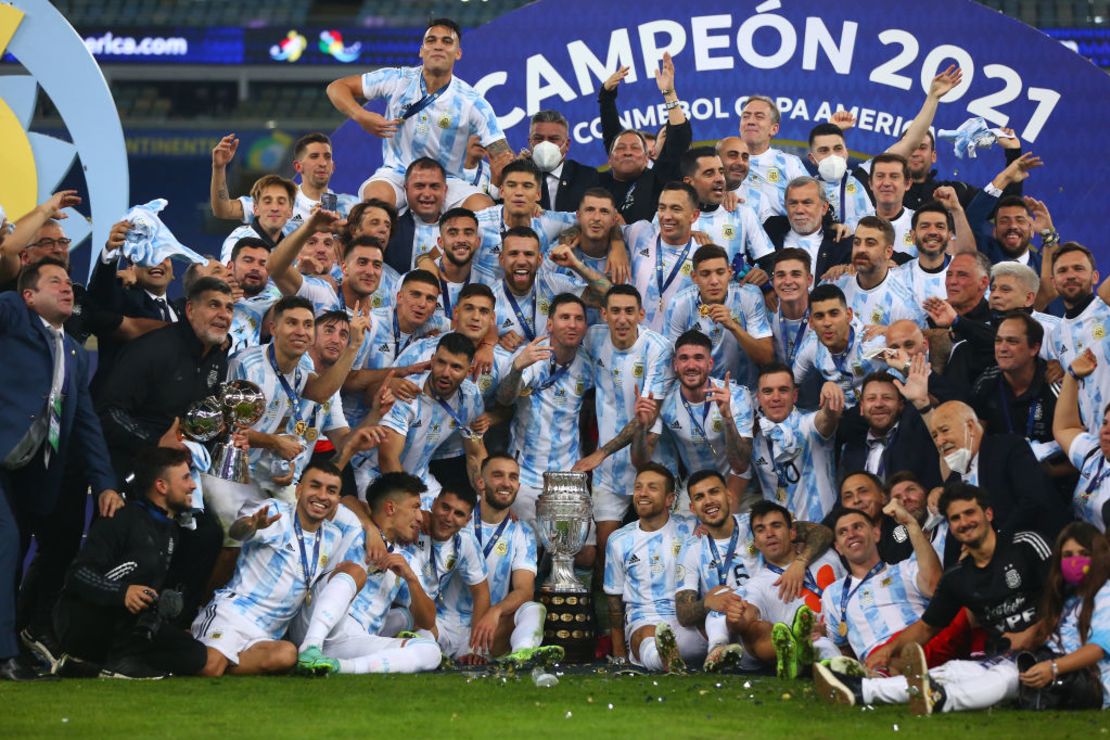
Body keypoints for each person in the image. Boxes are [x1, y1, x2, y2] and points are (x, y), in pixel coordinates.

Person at [0, 259, 120, 681]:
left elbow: (85, 423)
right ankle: (4, 655)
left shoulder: (71, 349)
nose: (68, 287)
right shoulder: (13, 314)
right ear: (29, 296)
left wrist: (104, 483)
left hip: (31, 473)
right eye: (55, 282)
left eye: (69, 282)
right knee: (7, 541)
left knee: (23, 550)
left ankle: (16, 640)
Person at [192, 461, 358, 676]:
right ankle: (196, 647)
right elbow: (237, 532)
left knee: (287, 655)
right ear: (299, 490)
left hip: (267, 634)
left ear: (337, 499)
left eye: (332, 491)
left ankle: (204, 652)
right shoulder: (275, 512)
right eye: (315, 486)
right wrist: (251, 526)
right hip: (233, 614)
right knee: (210, 668)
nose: (322, 495)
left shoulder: (333, 536)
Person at [53, 448, 207, 679]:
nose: (193, 486)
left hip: (130, 625)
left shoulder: (172, 531)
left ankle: (94, 666)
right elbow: (77, 574)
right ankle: (116, 662)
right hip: (87, 621)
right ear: (161, 486)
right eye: (186, 478)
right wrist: (122, 592)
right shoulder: (120, 518)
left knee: (194, 654)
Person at [326, 18, 509, 212]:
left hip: (448, 180)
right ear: (421, 50)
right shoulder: (398, 79)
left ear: (458, 53)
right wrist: (361, 116)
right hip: (397, 174)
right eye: (431, 40)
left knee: (483, 208)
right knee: (375, 201)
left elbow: (503, 155)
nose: (438, 46)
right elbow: (336, 88)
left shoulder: (472, 102)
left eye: (447, 41)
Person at [868, 483, 1052, 670]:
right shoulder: (956, 577)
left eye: (970, 513)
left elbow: (1068, 595)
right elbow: (927, 627)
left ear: (988, 514)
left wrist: (1033, 632)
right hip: (1005, 661)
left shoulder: (1026, 544)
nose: (964, 522)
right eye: (955, 518)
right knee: (957, 672)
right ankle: (867, 689)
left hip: (1055, 641)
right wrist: (888, 649)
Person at [292, 472, 441, 675]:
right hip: (313, 622)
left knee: (431, 651)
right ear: (390, 507)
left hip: (353, 639)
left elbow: (427, 621)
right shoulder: (353, 525)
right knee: (354, 570)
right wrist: (370, 528)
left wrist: (411, 579)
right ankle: (310, 647)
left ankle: (339, 667)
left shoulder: (407, 561)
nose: (420, 517)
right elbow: (344, 500)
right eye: (415, 507)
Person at [576, 285, 675, 582]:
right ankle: (607, 622)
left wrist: (601, 452)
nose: (622, 319)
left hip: (652, 459)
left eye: (629, 311)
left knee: (659, 549)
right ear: (604, 314)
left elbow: (646, 416)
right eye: (615, 311)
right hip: (609, 473)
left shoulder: (658, 348)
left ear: (641, 314)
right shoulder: (594, 338)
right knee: (606, 551)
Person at [435, 455, 557, 665]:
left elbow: (524, 589)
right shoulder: (457, 517)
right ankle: (430, 652)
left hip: (488, 629)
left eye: (513, 477)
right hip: (443, 623)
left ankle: (521, 658)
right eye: (498, 475)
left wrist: (495, 611)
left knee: (533, 609)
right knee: (417, 625)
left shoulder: (523, 532)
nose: (506, 483)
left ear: (518, 485)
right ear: (481, 482)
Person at [704, 500, 843, 677]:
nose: (769, 534)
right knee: (818, 644)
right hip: (813, 641)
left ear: (792, 533)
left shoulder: (827, 556)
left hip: (848, 631)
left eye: (776, 526)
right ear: (756, 542)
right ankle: (811, 661)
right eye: (761, 530)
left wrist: (800, 563)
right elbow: (741, 616)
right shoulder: (758, 584)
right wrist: (733, 620)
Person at [496, 294, 594, 524]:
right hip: (525, 472)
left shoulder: (587, 364)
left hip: (567, 473)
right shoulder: (533, 357)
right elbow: (505, 399)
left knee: (581, 551)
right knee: (530, 547)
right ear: (550, 323)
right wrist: (517, 368)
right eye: (565, 317)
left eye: (578, 318)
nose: (572, 324)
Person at [631, 331, 754, 508]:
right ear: (675, 364)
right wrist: (640, 428)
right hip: (695, 487)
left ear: (710, 364)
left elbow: (741, 466)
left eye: (698, 358)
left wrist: (727, 418)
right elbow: (640, 462)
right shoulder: (664, 398)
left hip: (737, 484)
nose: (691, 365)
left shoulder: (736, 396)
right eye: (684, 358)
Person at [359, 333, 486, 503]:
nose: (446, 373)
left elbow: (475, 454)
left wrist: (489, 499)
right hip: (376, 476)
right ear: (432, 360)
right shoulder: (406, 393)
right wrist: (412, 506)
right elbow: (388, 458)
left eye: (456, 367)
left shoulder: (470, 396)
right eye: (441, 363)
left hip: (421, 478)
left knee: (453, 517)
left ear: (469, 371)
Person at [604, 464, 705, 672]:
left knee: (718, 620)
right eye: (638, 487)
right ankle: (668, 662)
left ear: (670, 499)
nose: (642, 493)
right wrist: (619, 655)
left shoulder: (691, 528)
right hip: (644, 622)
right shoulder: (618, 540)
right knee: (648, 634)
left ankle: (719, 652)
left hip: (689, 620)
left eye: (652, 487)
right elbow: (614, 601)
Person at [819, 505, 941, 667]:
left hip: (923, 645)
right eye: (843, 532)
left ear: (876, 534)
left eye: (858, 527)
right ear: (838, 547)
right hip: (877, 663)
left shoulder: (906, 568)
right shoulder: (833, 594)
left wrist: (911, 524)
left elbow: (935, 587)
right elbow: (842, 647)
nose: (851, 535)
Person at [341, 269, 451, 431]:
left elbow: (467, 326)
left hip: (390, 429)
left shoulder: (435, 324)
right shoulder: (371, 324)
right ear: (399, 297)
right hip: (348, 427)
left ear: (435, 306)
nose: (422, 304)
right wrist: (397, 375)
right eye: (415, 294)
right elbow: (345, 382)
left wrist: (488, 344)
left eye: (430, 299)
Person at [1019, 521, 1110, 710]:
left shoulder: (1106, 594)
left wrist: (1053, 668)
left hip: (1094, 687)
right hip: (1061, 675)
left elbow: (1098, 648)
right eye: (1067, 555)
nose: (1075, 561)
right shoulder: (1068, 597)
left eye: (1084, 554)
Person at [597, 53, 692, 224]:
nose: (627, 152)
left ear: (647, 157)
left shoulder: (657, 181)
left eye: (635, 148)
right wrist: (606, 95)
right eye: (621, 148)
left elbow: (679, 138)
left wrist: (669, 93)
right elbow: (611, 133)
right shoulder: (595, 185)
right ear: (610, 159)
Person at [663, 245, 773, 388]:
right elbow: (671, 363)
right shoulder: (678, 304)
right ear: (694, 277)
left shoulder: (750, 296)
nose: (714, 281)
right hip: (698, 393)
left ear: (729, 272)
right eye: (705, 274)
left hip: (744, 394)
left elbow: (767, 358)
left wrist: (733, 326)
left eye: (720, 272)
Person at [970, 313, 1063, 477]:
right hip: (1002, 477)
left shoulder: (1054, 385)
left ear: (1034, 348)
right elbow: (974, 443)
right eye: (998, 341)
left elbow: (1082, 448)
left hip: (1050, 481)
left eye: (1012, 341)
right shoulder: (986, 382)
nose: (1002, 348)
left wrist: (1053, 472)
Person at [751, 363, 842, 523]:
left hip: (821, 532)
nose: (776, 397)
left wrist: (830, 391)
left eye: (783, 390)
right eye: (768, 391)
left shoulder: (808, 424)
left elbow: (828, 417)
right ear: (758, 398)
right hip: (781, 539)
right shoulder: (754, 437)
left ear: (795, 395)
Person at [490, 227, 608, 349]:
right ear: (502, 260)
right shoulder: (489, 299)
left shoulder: (554, 284)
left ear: (540, 260)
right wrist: (494, 340)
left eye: (529, 254)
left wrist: (577, 265)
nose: (521, 261)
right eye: (513, 254)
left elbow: (608, 298)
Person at [211, 132, 358, 227]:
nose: (322, 163)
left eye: (327, 157)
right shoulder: (276, 202)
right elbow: (224, 210)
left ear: (333, 166)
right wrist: (219, 168)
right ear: (298, 166)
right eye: (314, 157)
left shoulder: (351, 206)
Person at [675, 147, 774, 277]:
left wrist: (762, 276)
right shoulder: (670, 216)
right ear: (689, 182)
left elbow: (769, 261)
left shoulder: (743, 213)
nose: (720, 179)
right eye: (709, 173)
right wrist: (680, 237)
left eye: (721, 172)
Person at [793, 284, 891, 408]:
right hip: (839, 415)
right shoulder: (811, 347)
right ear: (811, 323)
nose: (827, 323)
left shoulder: (871, 344)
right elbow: (791, 385)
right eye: (819, 316)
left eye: (834, 314)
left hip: (877, 410)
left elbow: (909, 367)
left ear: (849, 315)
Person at [838, 371, 941, 489]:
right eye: (871, 398)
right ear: (861, 407)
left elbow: (950, 396)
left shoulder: (917, 435)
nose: (878, 404)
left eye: (887, 398)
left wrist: (906, 367)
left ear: (901, 405)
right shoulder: (851, 450)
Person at [625, 182, 703, 332]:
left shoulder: (701, 259)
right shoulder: (640, 232)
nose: (666, 216)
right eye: (662, 208)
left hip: (674, 349)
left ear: (694, 215)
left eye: (676, 209)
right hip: (633, 344)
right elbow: (610, 227)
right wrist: (617, 247)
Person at [827, 215, 927, 327]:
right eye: (857, 242)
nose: (861, 249)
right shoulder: (834, 285)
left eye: (870, 243)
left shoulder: (905, 306)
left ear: (888, 252)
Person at [1054, 347, 1110, 531]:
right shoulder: (1095, 455)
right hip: (1081, 555)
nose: (1106, 431)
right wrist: (1071, 376)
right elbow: (1065, 428)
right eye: (1105, 423)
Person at [925, 251, 996, 395]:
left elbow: (999, 342)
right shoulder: (932, 318)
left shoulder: (996, 319)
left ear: (983, 282)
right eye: (949, 274)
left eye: (962, 275)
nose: (952, 281)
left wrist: (957, 321)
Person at [762, 177, 852, 282]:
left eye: (807, 203)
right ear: (786, 206)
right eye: (793, 203)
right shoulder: (769, 232)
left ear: (824, 208)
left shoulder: (842, 245)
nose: (799, 210)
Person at [893, 191, 975, 306]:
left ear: (950, 235)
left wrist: (957, 209)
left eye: (940, 226)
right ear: (912, 236)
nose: (932, 232)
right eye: (925, 226)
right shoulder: (896, 279)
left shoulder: (968, 276)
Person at [736, 95, 808, 217]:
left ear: (774, 129)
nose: (750, 121)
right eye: (746, 116)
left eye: (759, 117)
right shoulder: (721, 161)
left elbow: (813, 200)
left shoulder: (790, 163)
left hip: (781, 233)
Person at [382, 158, 449, 275]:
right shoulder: (388, 225)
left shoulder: (459, 231)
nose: (427, 194)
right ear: (406, 189)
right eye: (419, 186)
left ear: (445, 190)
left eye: (434, 186)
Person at [805, 122, 874, 230]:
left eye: (838, 149)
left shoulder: (864, 179)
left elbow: (902, 148)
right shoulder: (805, 192)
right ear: (812, 159)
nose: (832, 156)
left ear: (846, 152)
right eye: (824, 150)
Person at [988, 262, 1061, 362]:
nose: (995, 295)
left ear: (1028, 298)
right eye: (993, 289)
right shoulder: (981, 328)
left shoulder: (1055, 328)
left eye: (1005, 289)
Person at [529, 109, 599, 212]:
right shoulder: (516, 177)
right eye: (538, 139)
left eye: (553, 139)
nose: (545, 145)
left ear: (567, 144)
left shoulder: (587, 177)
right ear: (530, 142)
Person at [218, 175, 296, 262]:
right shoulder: (238, 240)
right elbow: (228, 275)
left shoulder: (295, 238)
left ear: (290, 211)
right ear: (256, 209)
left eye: (281, 202)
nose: (274, 208)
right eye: (267, 202)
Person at [867, 155, 916, 258]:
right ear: (870, 183)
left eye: (894, 176)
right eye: (880, 176)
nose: (886, 183)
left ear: (907, 184)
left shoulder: (921, 224)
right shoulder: (855, 225)